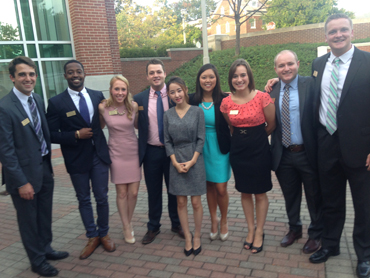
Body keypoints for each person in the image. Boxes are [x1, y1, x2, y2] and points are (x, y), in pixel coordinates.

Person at [307, 14, 370, 278]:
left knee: (364, 205)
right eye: (333, 31)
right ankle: (331, 245)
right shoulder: (318, 64)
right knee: (331, 201)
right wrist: (276, 84)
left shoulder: (367, 63)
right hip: (326, 143)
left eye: (343, 30)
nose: (338, 35)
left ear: (352, 32)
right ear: (326, 36)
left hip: (361, 148)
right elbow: (310, 93)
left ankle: (365, 256)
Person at [0, 56, 68, 277]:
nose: (28, 78)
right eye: (22, 74)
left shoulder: (37, 99)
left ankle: (46, 248)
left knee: (44, 215)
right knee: (28, 221)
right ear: (12, 78)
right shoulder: (4, 107)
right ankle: (37, 261)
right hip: (23, 178)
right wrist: (21, 182)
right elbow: (6, 151)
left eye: (31, 74)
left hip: (45, 169)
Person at [46, 60, 116, 260]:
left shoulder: (97, 96)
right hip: (76, 158)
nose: (75, 75)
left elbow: (105, 120)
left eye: (78, 71)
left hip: (98, 156)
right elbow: (50, 134)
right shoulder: (56, 103)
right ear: (65, 76)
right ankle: (92, 236)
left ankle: (104, 233)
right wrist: (75, 135)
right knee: (83, 199)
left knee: (102, 197)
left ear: (84, 74)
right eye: (70, 72)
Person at [270, 50, 323, 254]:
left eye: (290, 64)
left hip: (307, 153)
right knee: (290, 196)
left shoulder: (311, 84)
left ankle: (316, 233)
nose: (286, 68)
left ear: (298, 63)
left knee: (314, 196)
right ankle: (295, 229)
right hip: (283, 154)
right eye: (281, 65)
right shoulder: (271, 91)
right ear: (276, 69)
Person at [220, 59, 275, 254]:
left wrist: (257, 139)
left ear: (249, 76)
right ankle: (250, 229)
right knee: (244, 191)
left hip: (259, 150)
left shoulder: (262, 97)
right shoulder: (226, 102)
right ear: (231, 79)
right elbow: (231, 125)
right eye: (235, 76)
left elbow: (272, 124)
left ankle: (260, 231)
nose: (239, 79)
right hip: (238, 152)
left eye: (243, 75)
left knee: (260, 192)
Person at [133, 59, 183, 244]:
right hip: (151, 152)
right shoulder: (139, 99)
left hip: (173, 152)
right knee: (153, 192)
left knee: (174, 190)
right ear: (147, 76)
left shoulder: (174, 95)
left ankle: (176, 224)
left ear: (164, 73)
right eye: (152, 72)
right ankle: (153, 227)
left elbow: (200, 97)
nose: (156, 75)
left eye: (159, 72)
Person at [164, 76, 206, 256]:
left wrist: (193, 160)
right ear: (169, 95)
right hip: (176, 161)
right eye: (172, 92)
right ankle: (187, 237)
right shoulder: (167, 115)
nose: (177, 95)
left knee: (196, 202)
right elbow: (167, 141)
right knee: (181, 202)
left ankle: (197, 236)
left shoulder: (197, 112)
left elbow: (201, 138)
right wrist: (174, 162)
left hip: (195, 159)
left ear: (185, 89)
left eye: (179, 90)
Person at [189, 64, 231, 241]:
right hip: (199, 148)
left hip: (219, 146)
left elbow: (249, 93)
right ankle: (214, 220)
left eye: (211, 77)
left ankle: (224, 220)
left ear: (217, 79)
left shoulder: (225, 98)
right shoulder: (191, 100)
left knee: (221, 187)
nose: (208, 80)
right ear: (199, 79)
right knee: (209, 186)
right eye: (204, 77)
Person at [98, 75, 141, 244]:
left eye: (123, 89)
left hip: (133, 151)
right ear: (110, 90)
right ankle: (126, 226)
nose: (120, 92)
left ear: (127, 91)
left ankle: (128, 221)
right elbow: (100, 126)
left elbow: (137, 126)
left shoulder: (134, 106)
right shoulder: (103, 107)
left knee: (134, 192)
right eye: (117, 89)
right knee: (122, 193)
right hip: (115, 152)